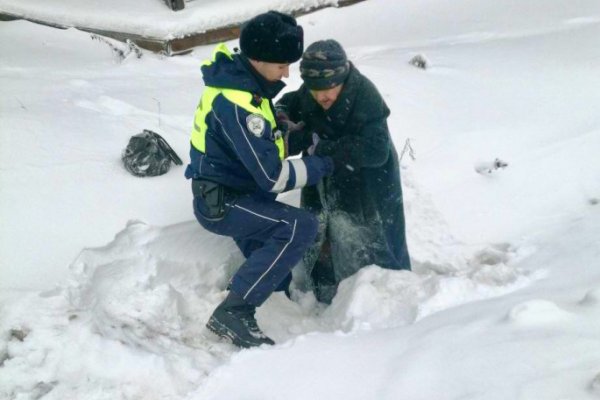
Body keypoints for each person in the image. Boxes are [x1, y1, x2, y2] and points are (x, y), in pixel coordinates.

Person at [184, 12, 334, 348]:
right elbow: (271, 176)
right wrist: (324, 164)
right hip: (223, 203)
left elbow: (259, 146)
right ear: (257, 58)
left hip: (236, 193)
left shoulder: (244, 85)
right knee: (299, 227)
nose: (287, 73)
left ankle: (276, 301)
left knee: (276, 270)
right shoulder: (237, 103)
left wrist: (289, 133)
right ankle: (234, 312)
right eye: (281, 65)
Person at [276, 39, 411, 304]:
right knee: (321, 233)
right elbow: (291, 103)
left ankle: (384, 300)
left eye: (329, 89)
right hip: (324, 177)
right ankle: (325, 294)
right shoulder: (313, 90)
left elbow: (376, 150)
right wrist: (282, 116)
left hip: (369, 182)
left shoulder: (365, 96)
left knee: (369, 241)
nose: (322, 96)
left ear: (343, 77)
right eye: (315, 90)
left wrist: (322, 147)